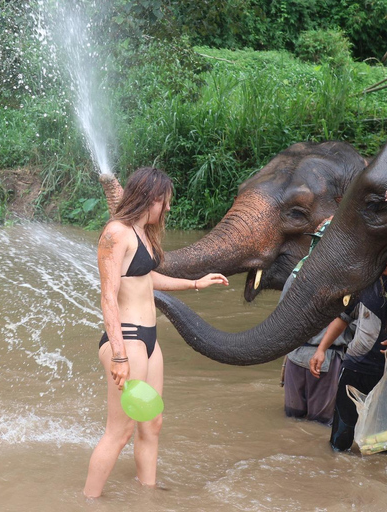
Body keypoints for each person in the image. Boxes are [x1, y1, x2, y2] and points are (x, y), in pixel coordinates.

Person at [83, 167, 228, 498]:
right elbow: (108, 297)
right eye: (165, 201)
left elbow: (145, 279)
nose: (168, 208)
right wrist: (118, 355)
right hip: (128, 340)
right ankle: (88, 501)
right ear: (150, 199)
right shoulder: (116, 233)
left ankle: (146, 495)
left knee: (152, 424)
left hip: (148, 342)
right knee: (119, 433)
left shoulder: (141, 231)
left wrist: (195, 283)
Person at [279, 219, 351, 425]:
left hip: (301, 355)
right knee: (317, 424)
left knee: (294, 420)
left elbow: (281, 320)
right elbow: (353, 324)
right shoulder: (347, 280)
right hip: (322, 357)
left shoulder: (297, 274)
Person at [310, 266, 387, 451]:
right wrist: (321, 349)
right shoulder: (364, 282)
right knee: (341, 437)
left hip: (385, 373)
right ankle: (339, 472)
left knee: (380, 443)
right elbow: (342, 319)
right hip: (357, 367)